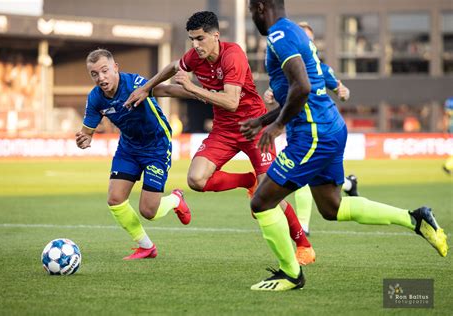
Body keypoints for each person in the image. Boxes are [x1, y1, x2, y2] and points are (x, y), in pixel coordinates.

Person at [242, 0, 448, 291]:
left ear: (261, 7)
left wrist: (276, 127)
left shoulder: (279, 35)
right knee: (332, 207)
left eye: (251, 11)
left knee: (261, 202)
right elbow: (303, 92)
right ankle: (415, 219)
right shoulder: (293, 32)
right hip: (329, 127)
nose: (252, 17)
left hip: (313, 134)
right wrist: (264, 119)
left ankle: (291, 274)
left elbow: (301, 87)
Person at [123, 11, 315, 265]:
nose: (195, 45)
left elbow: (232, 101)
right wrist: (146, 87)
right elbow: (172, 67)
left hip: (253, 128)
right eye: (192, 39)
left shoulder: (232, 55)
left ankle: (304, 245)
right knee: (196, 179)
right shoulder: (195, 56)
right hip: (224, 130)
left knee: (271, 200)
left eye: (200, 39)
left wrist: (192, 88)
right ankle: (248, 181)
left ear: (216, 35)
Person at [76, 48, 192, 260]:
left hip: (156, 145)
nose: (101, 78)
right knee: (115, 199)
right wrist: (84, 139)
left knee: (149, 211)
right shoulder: (95, 98)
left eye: (104, 71)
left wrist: (204, 96)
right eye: (94, 74)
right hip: (128, 148)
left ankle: (175, 199)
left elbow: (166, 91)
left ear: (115, 68)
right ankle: (147, 247)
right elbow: (86, 132)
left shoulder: (134, 83)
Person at [263, 21, 359, 235]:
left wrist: (342, 91)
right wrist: (269, 95)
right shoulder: (286, 67)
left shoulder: (321, 69)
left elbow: (342, 91)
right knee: (318, 187)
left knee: (300, 180)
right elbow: (278, 95)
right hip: (297, 130)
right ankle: (348, 185)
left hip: (316, 131)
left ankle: (303, 227)